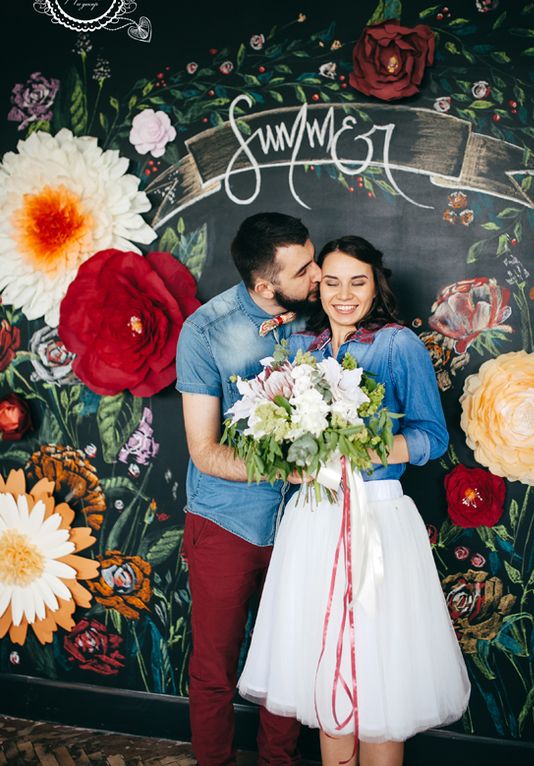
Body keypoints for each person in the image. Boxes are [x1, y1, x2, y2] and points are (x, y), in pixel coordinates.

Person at [237, 236, 471, 766]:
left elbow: (432, 437)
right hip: (314, 519)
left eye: (357, 282)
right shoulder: (301, 350)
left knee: (379, 668)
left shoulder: (395, 345)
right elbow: (287, 439)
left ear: (375, 285)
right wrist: (292, 455)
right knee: (323, 668)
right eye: (333, 282)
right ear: (318, 288)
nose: (344, 294)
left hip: (378, 518)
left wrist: (365, 447)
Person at [175, 212, 322, 766]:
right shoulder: (205, 331)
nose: (318, 274)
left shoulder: (320, 317)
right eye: (305, 268)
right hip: (225, 523)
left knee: (286, 663)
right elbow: (205, 452)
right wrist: (285, 469)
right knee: (215, 668)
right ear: (266, 285)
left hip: (304, 523)